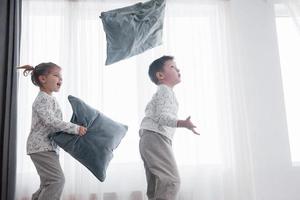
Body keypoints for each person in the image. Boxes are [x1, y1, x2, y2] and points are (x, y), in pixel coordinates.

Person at [17, 62, 87, 200]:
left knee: (47, 184)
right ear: (43, 79)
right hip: (40, 147)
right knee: (57, 180)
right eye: (56, 75)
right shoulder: (42, 99)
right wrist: (75, 128)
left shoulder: (49, 99)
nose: (60, 79)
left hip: (46, 147)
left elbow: (53, 123)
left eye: (61, 76)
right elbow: (51, 121)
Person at [139, 55, 199, 200]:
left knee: (157, 185)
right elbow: (161, 117)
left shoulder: (163, 93)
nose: (178, 69)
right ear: (160, 75)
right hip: (156, 136)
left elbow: (154, 114)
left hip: (149, 138)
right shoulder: (165, 91)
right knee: (172, 181)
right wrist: (182, 123)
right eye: (173, 67)